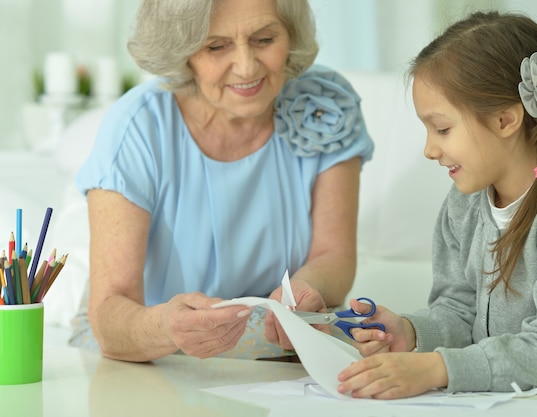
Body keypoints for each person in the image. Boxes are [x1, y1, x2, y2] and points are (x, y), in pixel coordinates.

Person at [336, 11, 537, 399]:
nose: (429, 149)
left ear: (506, 119)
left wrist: (437, 368)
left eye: (442, 129)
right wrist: (410, 332)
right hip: (490, 399)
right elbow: (459, 311)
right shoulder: (464, 203)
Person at [69, 0, 374, 362]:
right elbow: (109, 312)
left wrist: (306, 290)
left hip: (284, 340)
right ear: (183, 51)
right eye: (216, 46)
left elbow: (333, 255)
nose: (246, 66)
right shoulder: (138, 127)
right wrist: (168, 328)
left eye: (264, 39)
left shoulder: (325, 103)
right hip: (152, 346)